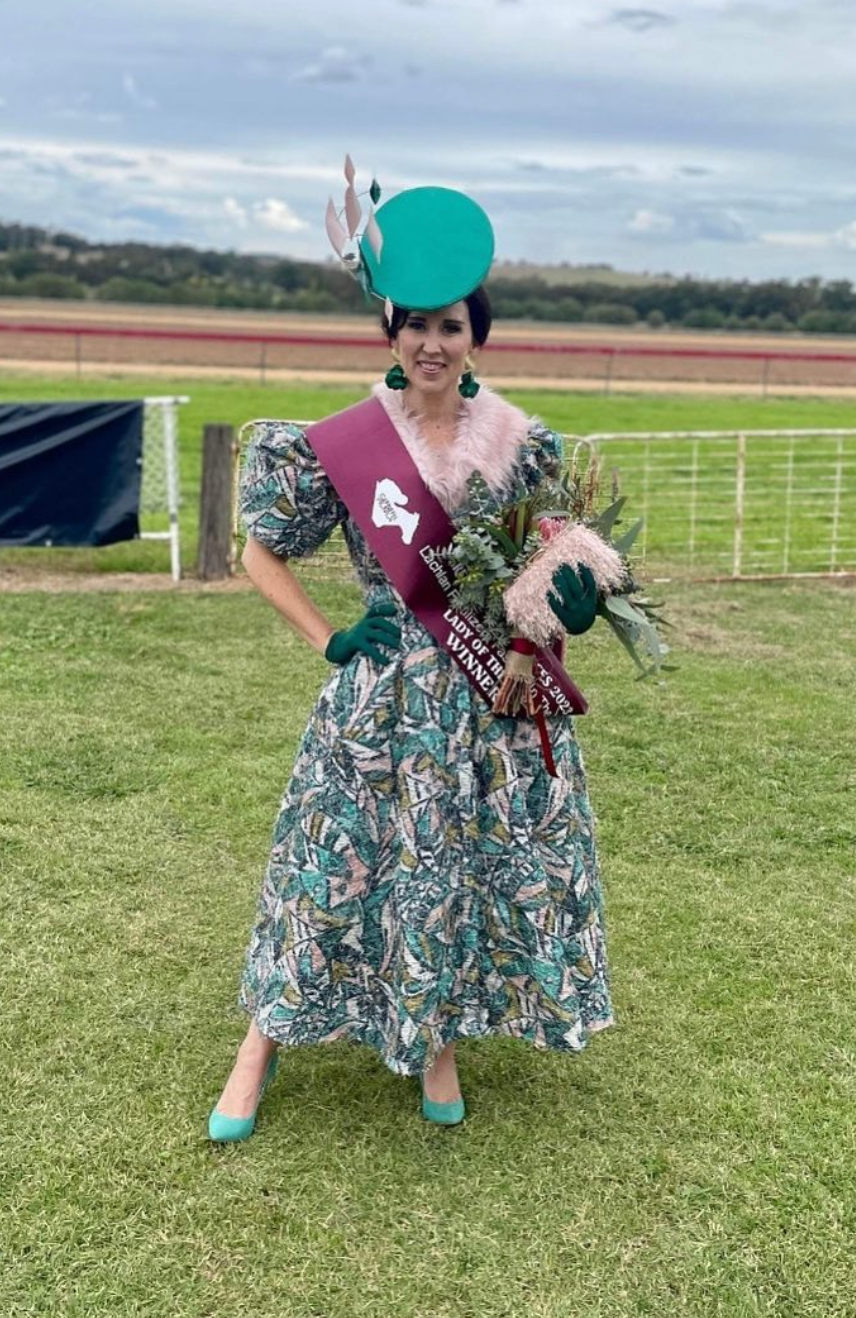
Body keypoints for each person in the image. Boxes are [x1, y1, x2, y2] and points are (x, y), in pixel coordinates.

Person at [208, 176, 613, 1141]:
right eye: (418, 324)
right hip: (380, 694)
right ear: (391, 331)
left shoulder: (522, 443)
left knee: (453, 869)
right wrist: (330, 637)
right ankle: (257, 1048)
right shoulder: (345, 444)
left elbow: (560, 561)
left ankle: (437, 1044)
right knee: (325, 869)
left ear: (478, 338)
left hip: (488, 699)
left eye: (454, 326)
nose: (434, 343)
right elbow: (260, 551)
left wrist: (563, 609)